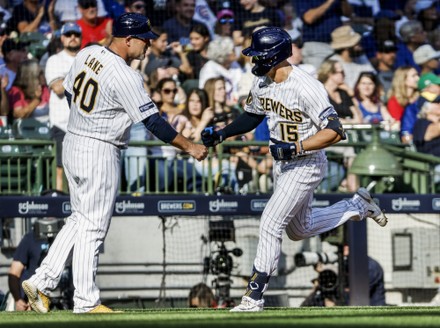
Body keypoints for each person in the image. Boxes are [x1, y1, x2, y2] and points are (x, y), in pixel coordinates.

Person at [22, 12, 207, 314]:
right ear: (128, 39)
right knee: (93, 226)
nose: (149, 44)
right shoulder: (125, 75)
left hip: (74, 140)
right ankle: (85, 302)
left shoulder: (87, 52)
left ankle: (42, 279)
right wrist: (190, 146)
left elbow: (70, 92)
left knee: (79, 219)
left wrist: (87, 118)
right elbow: (154, 123)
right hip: (99, 148)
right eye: (144, 39)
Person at [200, 26, 388, 312]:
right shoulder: (262, 82)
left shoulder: (306, 85)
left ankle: (253, 296)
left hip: (307, 161)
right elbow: (252, 116)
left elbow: (336, 131)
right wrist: (222, 134)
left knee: (271, 222)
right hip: (283, 163)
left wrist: (297, 147)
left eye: (259, 55)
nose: (254, 61)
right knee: (298, 230)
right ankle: (357, 206)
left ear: (275, 55)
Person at [45, 22, 83, 192]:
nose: (73, 37)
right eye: (69, 34)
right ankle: (56, 206)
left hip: (85, 125)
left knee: (83, 170)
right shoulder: (55, 59)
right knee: (61, 167)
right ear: (62, 38)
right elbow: (58, 88)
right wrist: (80, 73)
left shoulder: (85, 58)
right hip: (63, 124)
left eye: (76, 34)